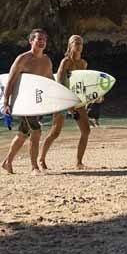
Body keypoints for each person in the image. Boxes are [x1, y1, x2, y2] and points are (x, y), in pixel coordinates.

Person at [0, 29, 54, 174]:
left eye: (44, 39)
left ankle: (7, 162)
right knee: (36, 131)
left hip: (37, 103)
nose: (42, 42)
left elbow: (50, 82)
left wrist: (56, 101)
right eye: (39, 39)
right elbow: (10, 82)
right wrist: (6, 103)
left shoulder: (46, 60)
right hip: (22, 102)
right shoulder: (23, 59)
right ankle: (34, 167)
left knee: (23, 133)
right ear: (31, 41)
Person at [40, 34, 91, 170]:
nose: (79, 45)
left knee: (86, 130)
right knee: (55, 133)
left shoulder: (83, 63)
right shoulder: (66, 62)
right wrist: (70, 108)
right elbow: (60, 84)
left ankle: (79, 162)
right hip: (62, 99)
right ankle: (41, 159)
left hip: (77, 100)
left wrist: (95, 96)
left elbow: (82, 85)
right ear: (70, 45)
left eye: (80, 43)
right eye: (75, 42)